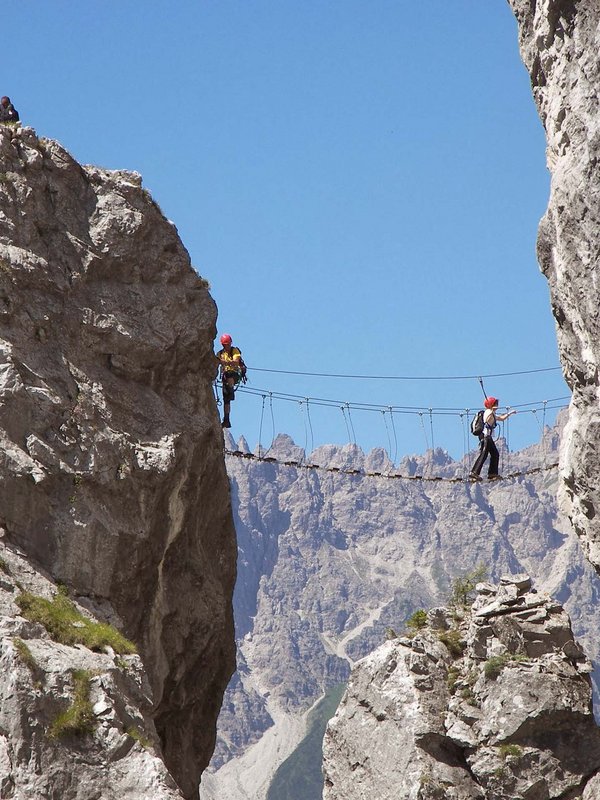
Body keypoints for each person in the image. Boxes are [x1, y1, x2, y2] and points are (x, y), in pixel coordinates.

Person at [470, 396, 516, 481]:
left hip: (489, 437)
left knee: (495, 454)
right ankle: (474, 472)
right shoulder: (488, 412)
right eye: (496, 404)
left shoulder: (492, 413)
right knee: (484, 454)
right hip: (485, 436)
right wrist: (491, 411)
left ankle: (492, 473)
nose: (497, 405)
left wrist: (510, 413)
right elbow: (486, 420)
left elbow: (501, 418)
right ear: (492, 404)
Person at [216, 333, 244, 428]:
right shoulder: (220, 354)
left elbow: (236, 362)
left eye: (227, 344)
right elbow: (215, 361)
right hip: (225, 378)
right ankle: (226, 419)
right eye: (225, 344)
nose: (226, 346)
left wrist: (225, 362)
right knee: (226, 400)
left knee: (229, 374)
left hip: (235, 375)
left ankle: (231, 390)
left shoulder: (234, 351)